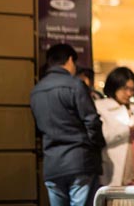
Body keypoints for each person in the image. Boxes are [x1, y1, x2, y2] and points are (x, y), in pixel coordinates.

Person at [30, 43, 105, 206]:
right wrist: (97, 146)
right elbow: (91, 121)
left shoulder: (36, 91)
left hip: (52, 165)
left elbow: (38, 129)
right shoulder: (75, 85)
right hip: (79, 161)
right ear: (70, 60)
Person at [94, 66, 134, 185]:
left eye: (132, 90)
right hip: (116, 166)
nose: (129, 94)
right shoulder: (102, 108)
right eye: (125, 89)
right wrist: (128, 127)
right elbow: (104, 137)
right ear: (114, 86)